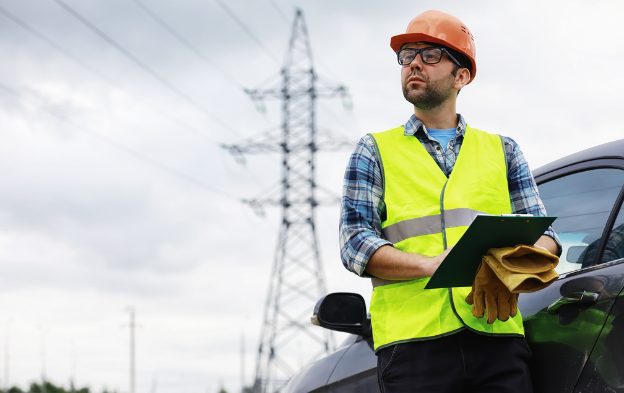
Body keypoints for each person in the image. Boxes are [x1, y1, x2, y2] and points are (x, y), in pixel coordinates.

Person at [339, 10, 561, 393]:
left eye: (429, 55)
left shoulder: (503, 150)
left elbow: (547, 236)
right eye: (407, 56)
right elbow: (355, 244)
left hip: (497, 340)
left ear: (462, 76)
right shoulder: (374, 151)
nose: (414, 65)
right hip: (413, 348)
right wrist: (430, 265)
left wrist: (506, 265)